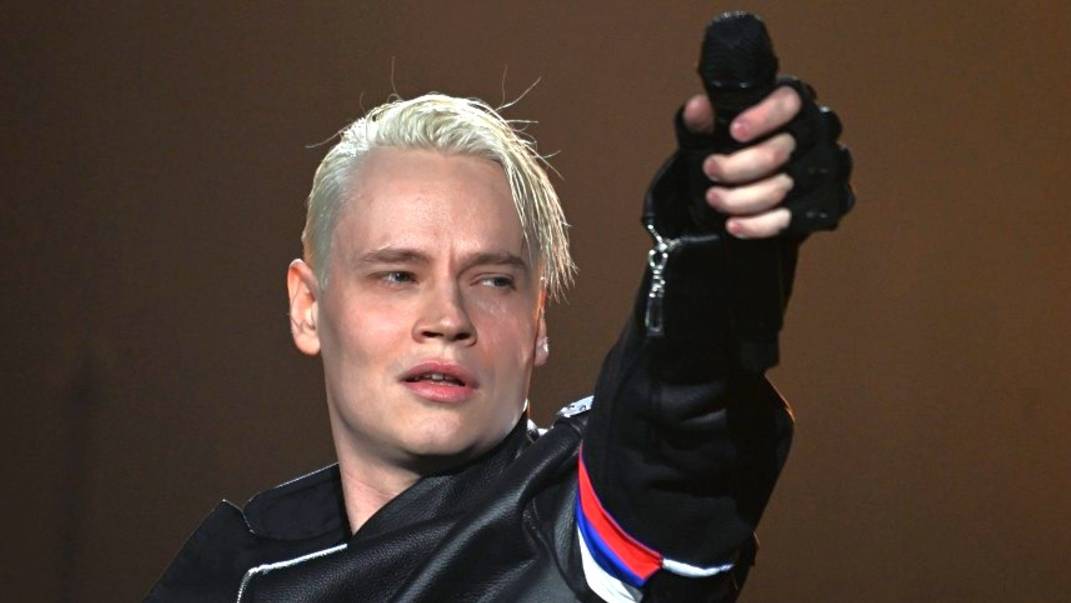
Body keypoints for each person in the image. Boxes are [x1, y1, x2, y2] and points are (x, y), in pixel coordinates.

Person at [147, 67, 852, 601]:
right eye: (398, 274)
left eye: (492, 281)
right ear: (308, 306)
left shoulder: (581, 525)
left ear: (537, 321)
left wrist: (706, 269)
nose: (448, 318)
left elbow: (669, 441)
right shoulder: (230, 574)